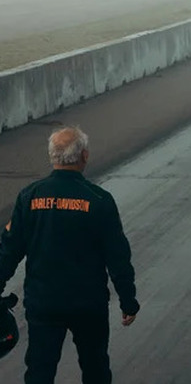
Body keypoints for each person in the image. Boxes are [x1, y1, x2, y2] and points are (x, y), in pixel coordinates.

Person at [0, 126, 140, 383]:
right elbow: (118, 257)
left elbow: (8, 250)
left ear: (53, 157)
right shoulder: (99, 199)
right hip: (88, 304)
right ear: (84, 156)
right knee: (96, 367)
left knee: (40, 371)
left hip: (43, 303)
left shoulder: (29, 197)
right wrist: (128, 300)